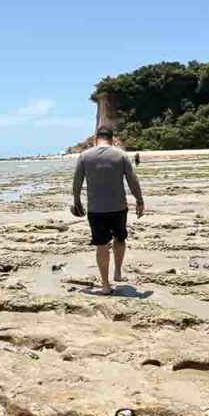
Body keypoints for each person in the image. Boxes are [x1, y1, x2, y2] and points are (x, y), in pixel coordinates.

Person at [72, 126, 145, 295]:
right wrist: (139, 200)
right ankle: (118, 272)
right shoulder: (120, 155)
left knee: (101, 245)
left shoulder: (84, 156)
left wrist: (76, 201)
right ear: (112, 138)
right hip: (119, 207)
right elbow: (133, 180)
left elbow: (77, 181)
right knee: (120, 238)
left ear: (96, 138)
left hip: (96, 209)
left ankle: (105, 285)